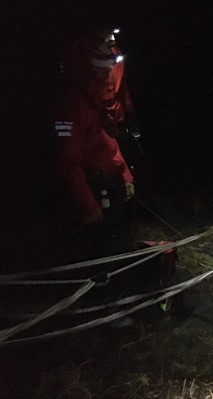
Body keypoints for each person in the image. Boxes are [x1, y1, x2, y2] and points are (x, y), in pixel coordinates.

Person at [52, 31, 134, 259]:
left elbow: (107, 140)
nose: (110, 71)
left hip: (109, 184)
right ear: (89, 66)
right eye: (104, 66)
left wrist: (125, 174)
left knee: (116, 242)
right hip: (95, 190)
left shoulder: (89, 96)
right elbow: (68, 163)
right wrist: (90, 208)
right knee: (99, 251)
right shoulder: (71, 104)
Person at [93, 28, 143, 167]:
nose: (112, 39)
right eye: (108, 37)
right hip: (101, 122)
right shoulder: (93, 62)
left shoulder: (117, 57)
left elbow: (122, 87)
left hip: (118, 117)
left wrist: (130, 113)